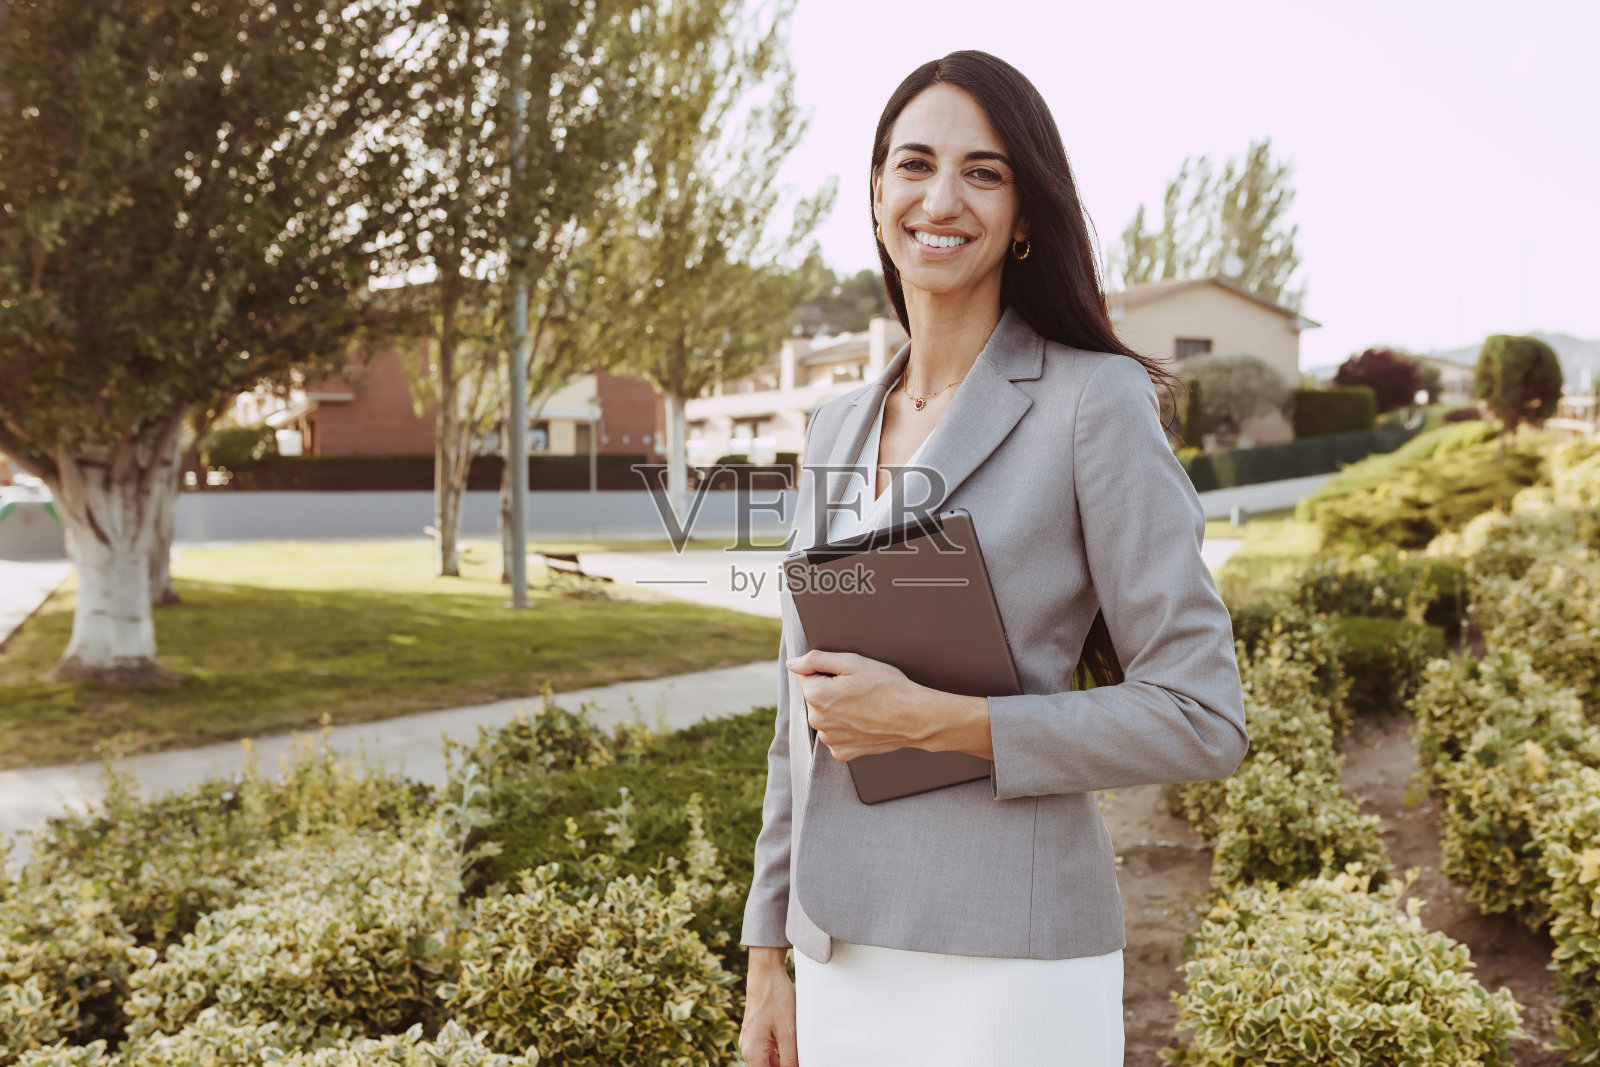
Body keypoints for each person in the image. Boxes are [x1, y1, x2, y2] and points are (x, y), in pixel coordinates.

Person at [737, 50, 1247, 1067]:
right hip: (838, 956)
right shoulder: (834, 423)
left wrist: (946, 723)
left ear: (1024, 215)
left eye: (983, 171)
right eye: (913, 164)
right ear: (876, 194)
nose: (940, 196)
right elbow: (801, 715)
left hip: (1011, 967)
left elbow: (1202, 715)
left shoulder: (1091, 402)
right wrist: (766, 952)